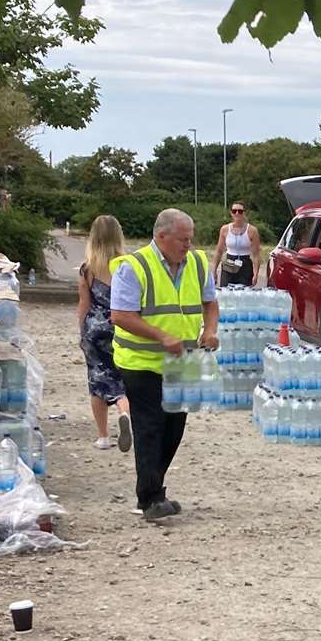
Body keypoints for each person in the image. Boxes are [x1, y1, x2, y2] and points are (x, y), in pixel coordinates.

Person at [111, 208, 219, 522]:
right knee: (150, 426)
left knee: (174, 428)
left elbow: (210, 302)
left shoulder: (197, 263)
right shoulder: (133, 267)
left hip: (182, 359)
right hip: (141, 361)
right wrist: (161, 336)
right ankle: (150, 498)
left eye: (190, 239)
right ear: (162, 237)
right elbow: (120, 315)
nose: (188, 244)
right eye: (183, 239)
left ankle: (154, 489)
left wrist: (210, 330)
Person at [76, 214, 131, 451]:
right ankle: (123, 410)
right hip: (121, 327)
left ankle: (103, 436)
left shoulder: (88, 269)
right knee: (122, 378)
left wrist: (82, 332)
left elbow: (83, 304)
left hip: (95, 329)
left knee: (97, 380)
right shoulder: (127, 266)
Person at [213, 203, 260, 287]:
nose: (237, 213)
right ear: (231, 213)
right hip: (229, 263)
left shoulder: (252, 230)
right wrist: (214, 271)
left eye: (240, 211)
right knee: (226, 292)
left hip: (245, 264)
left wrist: (256, 274)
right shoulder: (225, 229)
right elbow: (219, 251)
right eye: (234, 211)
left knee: (243, 293)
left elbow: (256, 255)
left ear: (245, 213)